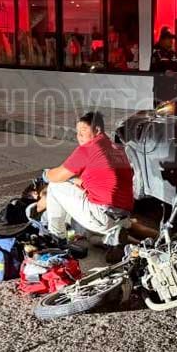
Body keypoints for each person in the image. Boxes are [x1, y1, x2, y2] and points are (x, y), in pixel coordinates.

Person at [41, 112, 134, 262]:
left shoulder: (89, 148)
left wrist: (46, 174)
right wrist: (76, 182)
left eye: (83, 131)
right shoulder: (116, 148)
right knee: (76, 188)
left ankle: (57, 238)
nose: (79, 136)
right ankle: (110, 240)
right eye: (77, 132)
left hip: (102, 217)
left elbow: (57, 176)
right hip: (122, 217)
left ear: (97, 130)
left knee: (55, 186)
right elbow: (98, 181)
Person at [150, 28, 177, 106]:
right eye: (168, 38)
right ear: (162, 40)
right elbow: (153, 71)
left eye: (171, 39)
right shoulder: (157, 55)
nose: (171, 41)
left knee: (173, 110)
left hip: (173, 90)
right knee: (161, 110)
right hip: (161, 90)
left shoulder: (175, 55)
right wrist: (164, 73)